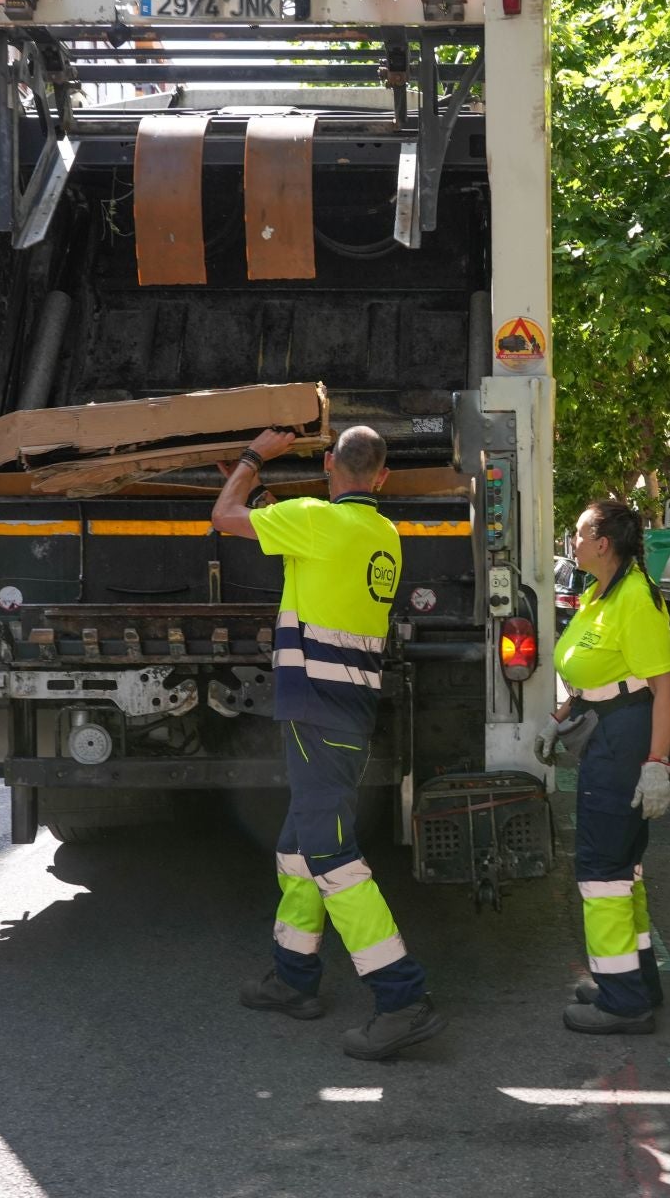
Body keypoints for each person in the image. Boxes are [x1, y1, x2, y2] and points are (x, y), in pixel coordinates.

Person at [212, 425, 447, 1061]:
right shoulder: (384, 534)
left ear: (326, 466)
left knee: (329, 856)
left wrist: (255, 457)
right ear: (384, 477)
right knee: (296, 846)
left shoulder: (315, 520)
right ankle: (294, 977)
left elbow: (224, 516)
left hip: (316, 709)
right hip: (347, 710)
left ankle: (401, 998)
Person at [537, 499, 670, 1035]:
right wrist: (561, 715)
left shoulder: (636, 598)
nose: (572, 541)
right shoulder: (603, 592)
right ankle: (635, 980)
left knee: (601, 867)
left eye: (578, 533)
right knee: (623, 865)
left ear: (603, 543)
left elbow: (663, 688)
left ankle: (623, 1002)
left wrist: (656, 764)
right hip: (605, 729)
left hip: (626, 740)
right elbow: (606, 673)